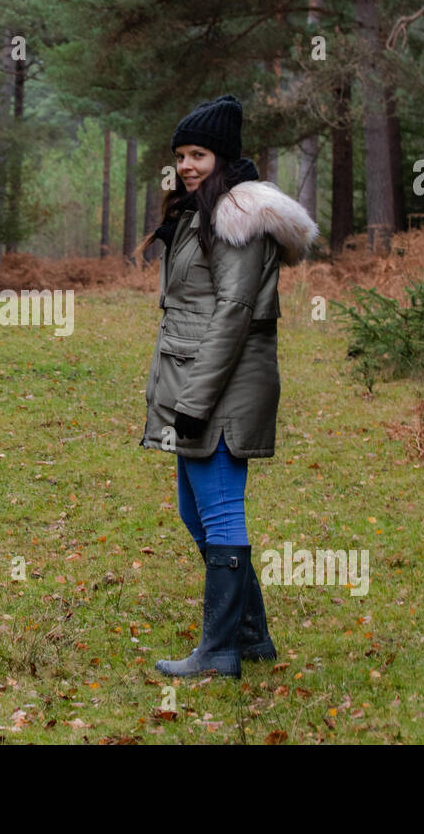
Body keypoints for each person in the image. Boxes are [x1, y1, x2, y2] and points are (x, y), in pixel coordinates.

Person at [137, 94, 318, 678]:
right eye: (182, 154)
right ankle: (251, 636)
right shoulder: (198, 211)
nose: (187, 165)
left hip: (219, 388)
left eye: (199, 153)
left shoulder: (237, 217)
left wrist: (191, 404)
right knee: (196, 513)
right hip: (198, 380)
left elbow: (234, 312)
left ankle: (218, 653)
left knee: (218, 512)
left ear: (224, 156)